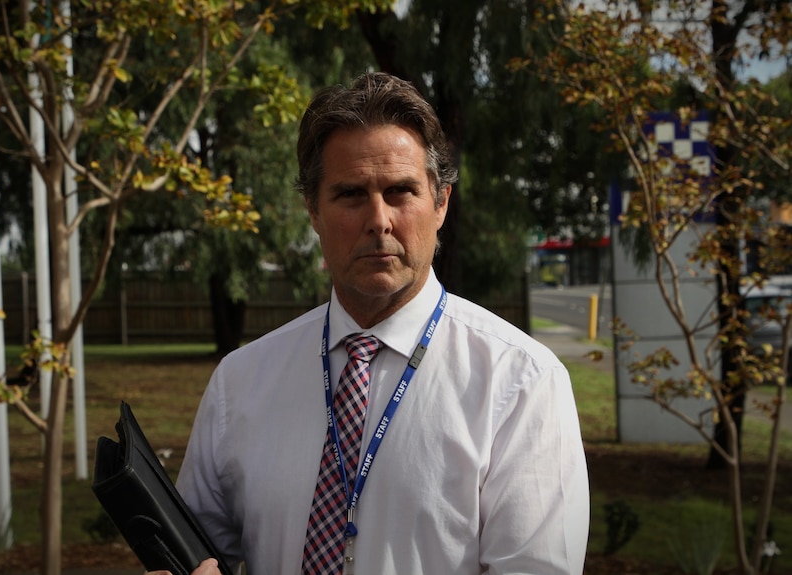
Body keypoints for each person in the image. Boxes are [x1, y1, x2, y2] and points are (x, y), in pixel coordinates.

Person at [158, 72, 589, 575]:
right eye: (350, 194)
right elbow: (193, 554)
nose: (379, 220)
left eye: (401, 191)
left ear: (442, 203)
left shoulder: (521, 383)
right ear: (313, 210)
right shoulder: (239, 384)